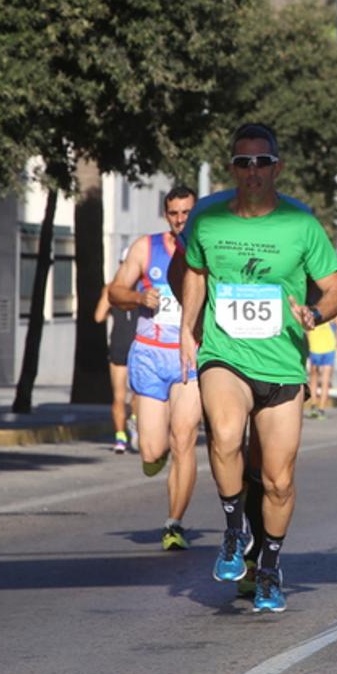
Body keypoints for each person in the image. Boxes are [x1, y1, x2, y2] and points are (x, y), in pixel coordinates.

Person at [179, 123, 337, 614]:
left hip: (282, 363)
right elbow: (194, 271)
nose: (252, 171)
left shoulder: (302, 224)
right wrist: (188, 331)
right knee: (226, 436)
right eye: (242, 162)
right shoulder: (208, 220)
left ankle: (269, 564)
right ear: (232, 167)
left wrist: (316, 314)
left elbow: (335, 287)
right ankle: (235, 529)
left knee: (278, 480)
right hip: (224, 354)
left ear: (277, 167)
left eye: (261, 162)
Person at [107, 187, 201, 550]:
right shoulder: (147, 248)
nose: (180, 220)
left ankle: (174, 523)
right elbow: (115, 290)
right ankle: (150, 449)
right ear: (166, 215)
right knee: (151, 451)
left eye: (187, 212)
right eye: (174, 213)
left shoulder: (206, 248)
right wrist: (137, 297)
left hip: (188, 358)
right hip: (148, 355)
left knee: (185, 437)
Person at [95, 284, 137, 454]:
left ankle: (120, 438)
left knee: (119, 396)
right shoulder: (145, 286)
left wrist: (110, 304)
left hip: (119, 343)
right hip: (138, 345)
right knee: (140, 393)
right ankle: (134, 421)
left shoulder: (111, 289)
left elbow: (99, 316)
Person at [306, 314, 337, 419]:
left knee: (315, 378)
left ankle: (315, 406)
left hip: (317, 347)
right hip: (325, 348)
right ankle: (320, 409)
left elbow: (307, 329)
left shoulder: (313, 310)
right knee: (323, 380)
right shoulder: (333, 311)